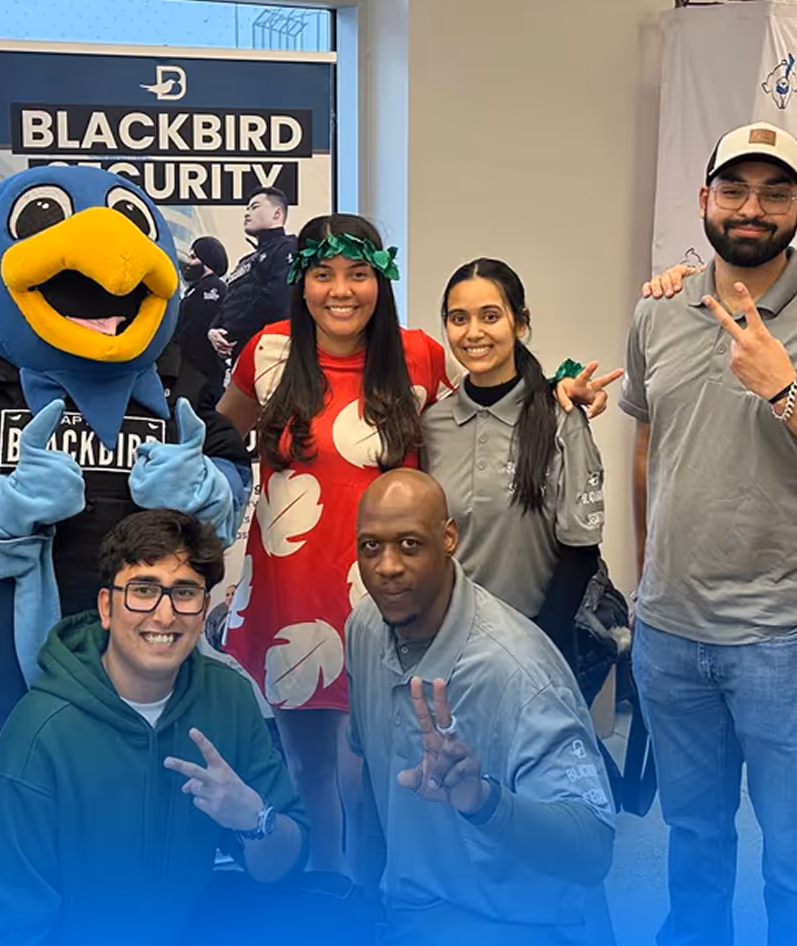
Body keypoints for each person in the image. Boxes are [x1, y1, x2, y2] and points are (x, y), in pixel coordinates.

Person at [216, 213, 619, 876]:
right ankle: (326, 890)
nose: (340, 290)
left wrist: (558, 392)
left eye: (358, 273)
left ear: (382, 280)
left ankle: (377, 890)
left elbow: (490, 412)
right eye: (323, 274)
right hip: (286, 588)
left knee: (366, 770)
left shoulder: (419, 356)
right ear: (302, 282)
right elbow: (219, 440)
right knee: (305, 763)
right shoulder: (267, 349)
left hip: (380, 592)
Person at [621, 121, 797, 946]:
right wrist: (647, 578)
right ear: (704, 199)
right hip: (672, 636)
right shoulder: (660, 311)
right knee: (694, 842)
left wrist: (787, 388)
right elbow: (649, 447)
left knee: (796, 853)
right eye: (736, 189)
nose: (753, 208)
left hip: (787, 644)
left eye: (775, 192)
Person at [0, 166, 250, 803]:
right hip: (15, 649)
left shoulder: (176, 387)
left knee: (144, 796)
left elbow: (232, 471)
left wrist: (205, 485)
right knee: (22, 798)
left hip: (152, 637)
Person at [0, 508, 308, 946]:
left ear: (203, 613)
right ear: (106, 607)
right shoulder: (39, 738)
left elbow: (286, 863)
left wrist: (255, 819)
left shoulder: (229, 700)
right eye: (143, 591)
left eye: (185, 593)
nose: (164, 616)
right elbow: (2, 930)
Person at [346, 469, 616, 944]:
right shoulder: (366, 627)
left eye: (409, 544)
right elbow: (374, 773)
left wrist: (485, 801)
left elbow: (592, 847)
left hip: (519, 925)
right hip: (408, 914)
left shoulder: (519, 671)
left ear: (448, 538)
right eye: (371, 546)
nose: (386, 566)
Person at [422, 258, 610, 689]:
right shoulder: (431, 425)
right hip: (447, 646)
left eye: (490, 316)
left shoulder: (560, 416)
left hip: (536, 643)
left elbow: (580, 550)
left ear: (520, 323)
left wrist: (536, 645)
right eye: (458, 319)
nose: (473, 333)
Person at [208, 186, 296, 366]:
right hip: (240, 356)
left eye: (254, 207)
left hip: (272, 355)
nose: (247, 214)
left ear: (277, 213)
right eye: (247, 208)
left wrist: (230, 332)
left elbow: (276, 301)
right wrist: (213, 331)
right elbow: (227, 303)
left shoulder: (288, 248)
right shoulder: (244, 261)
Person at [174, 235, 231, 398]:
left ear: (207, 263)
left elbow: (196, 331)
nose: (188, 263)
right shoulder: (193, 291)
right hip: (185, 374)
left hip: (201, 380)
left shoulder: (216, 289)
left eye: (193, 257)